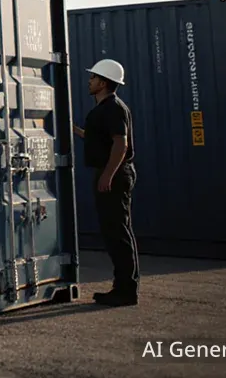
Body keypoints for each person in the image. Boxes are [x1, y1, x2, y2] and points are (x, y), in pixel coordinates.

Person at [73, 58, 139, 306]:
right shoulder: (104, 109)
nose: (89, 81)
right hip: (111, 172)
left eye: (93, 77)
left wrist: (108, 175)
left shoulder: (113, 108)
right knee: (115, 232)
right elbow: (97, 139)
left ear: (103, 83)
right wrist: (74, 130)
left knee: (118, 233)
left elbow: (120, 143)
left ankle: (126, 291)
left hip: (115, 175)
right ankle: (122, 288)